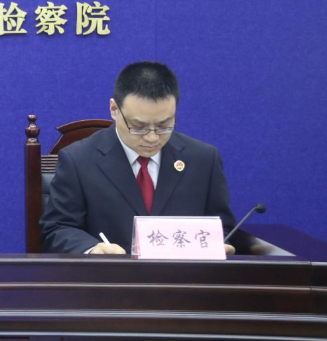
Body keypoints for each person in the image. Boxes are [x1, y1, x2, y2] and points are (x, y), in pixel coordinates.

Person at [41, 61, 238, 255]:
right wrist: (92, 249)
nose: (152, 138)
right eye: (138, 127)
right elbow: (57, 228)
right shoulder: (78, 160)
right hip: (112, 274)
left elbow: (222, 227)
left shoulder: (203, 159)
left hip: (183, 274)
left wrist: (219, 244)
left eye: (164, 125)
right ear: (114, 109)